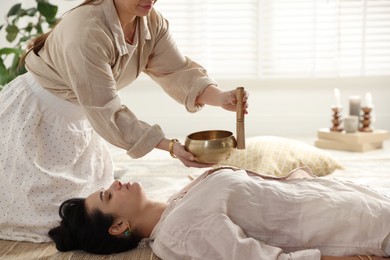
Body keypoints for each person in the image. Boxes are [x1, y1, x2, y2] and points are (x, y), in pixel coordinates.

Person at [0, 0, 248, 242]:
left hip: (79, 121)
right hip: (34, 118)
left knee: (88, 209)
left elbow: (177, 70)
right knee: (47, 214)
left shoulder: (150, 21)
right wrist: (169, 146)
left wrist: (221, 98)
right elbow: (106, 108)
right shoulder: (86, 30)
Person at [49, 166, 390, 260]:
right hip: (360, 228)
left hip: (351, 200)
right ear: (119, 225)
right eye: (108, 195)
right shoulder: (180, 235)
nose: (116, 183)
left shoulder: (181, 202)